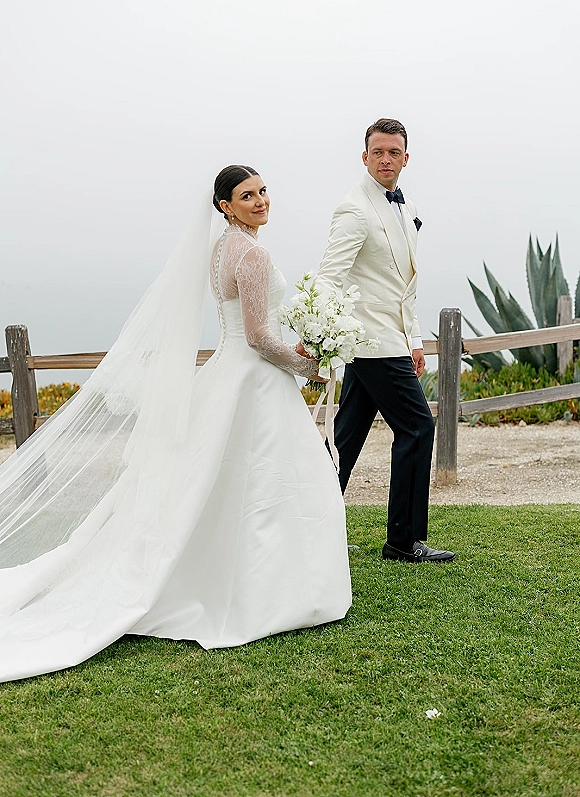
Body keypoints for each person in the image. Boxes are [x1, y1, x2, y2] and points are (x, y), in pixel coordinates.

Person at [0, 166, 351, 683]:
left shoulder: (220, 250)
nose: (260, 201)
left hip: (229, 374)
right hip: (253, 379)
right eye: (246, 196)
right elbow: (257, 336)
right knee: (264, 483)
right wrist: (308, 363)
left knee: (221, 481)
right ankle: (266, 593)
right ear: (226, 206)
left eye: (262, 191)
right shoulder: (252, 253)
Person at [314, 119, 455, 563]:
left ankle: (310, 525)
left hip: (391, 340)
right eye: (378, 152)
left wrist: (413, 339)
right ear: (365, 156)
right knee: (417, 426)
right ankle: (402, 541)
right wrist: (320, 338)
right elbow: (328, 278)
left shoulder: (400, 206)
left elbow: (403, 285)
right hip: (368, 342)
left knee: (347, 436)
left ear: (405, 158)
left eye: (394, 152)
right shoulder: (354, 210)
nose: (386, 159)